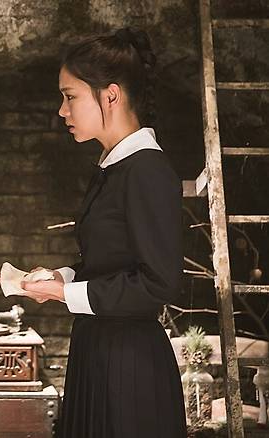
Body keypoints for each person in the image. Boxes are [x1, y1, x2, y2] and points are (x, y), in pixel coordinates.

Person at [17, 28, 188, 438]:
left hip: (128, 367)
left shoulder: (146, 170)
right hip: (98, 351)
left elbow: (159, 282)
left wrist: (66, 294)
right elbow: (111, 261)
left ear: (110, 96)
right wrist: (61, 278)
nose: (62, 110)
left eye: (70, 96)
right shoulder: (114, 165)